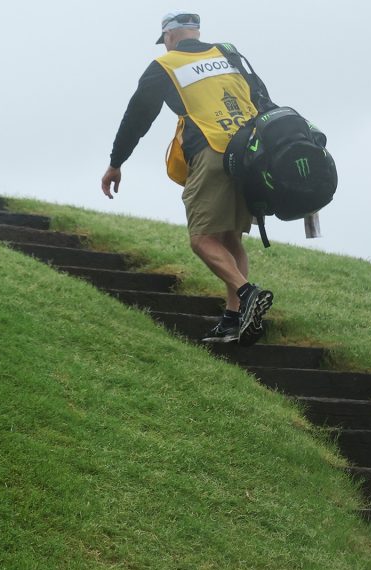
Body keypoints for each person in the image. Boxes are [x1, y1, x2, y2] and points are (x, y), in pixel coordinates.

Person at [100, 11, 273, 346]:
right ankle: (233, 317)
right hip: (251, 151)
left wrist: (116, 162)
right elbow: (262, 97)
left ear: (169, 37)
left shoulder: (166, 66)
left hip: (213, 152)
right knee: (229, 237)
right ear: (196, 32)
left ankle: (248, 293)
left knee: (202, 239)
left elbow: (137, 117)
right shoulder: (227, 54)